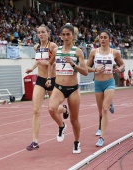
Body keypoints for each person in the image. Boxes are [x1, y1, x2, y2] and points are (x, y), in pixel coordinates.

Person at [25, 24, 69, 151]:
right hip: (40, 79)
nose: (41, 34)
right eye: (39, 32)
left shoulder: (53, 46)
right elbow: (38, 60)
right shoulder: (36, 47)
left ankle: (64, 110)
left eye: (43, 32)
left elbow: (58, 61)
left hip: (52, 79)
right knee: (35, 110)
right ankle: (35, 141)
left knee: (53, 108)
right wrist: (32, 68)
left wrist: (48, 64)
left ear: (48, 34)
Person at [46, 24, 88, 154]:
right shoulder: (57, 50)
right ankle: (61, 126)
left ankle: (76, 142)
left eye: (68, 34)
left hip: (73, 89)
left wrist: (73, 64)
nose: (65, 37)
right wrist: (48, 77)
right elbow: (50, 63)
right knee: (51, 109)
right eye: (63, 34)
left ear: (73, 36)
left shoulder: (77, 51)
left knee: (74, 120)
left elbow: (85, 72)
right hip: (59, 87)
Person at [86, 30, 125, 147]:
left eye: (105, 37)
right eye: (101, 37)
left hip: (109, 82)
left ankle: (102, 137)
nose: (103, 39)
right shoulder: (94, 52)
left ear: (109, 39)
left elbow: (122, 64)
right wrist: (95, 70)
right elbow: (86, 67)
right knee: (100, 112)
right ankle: (110, 103)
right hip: (98, 83)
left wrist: (119, 69)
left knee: (104, 109)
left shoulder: (115, 52)